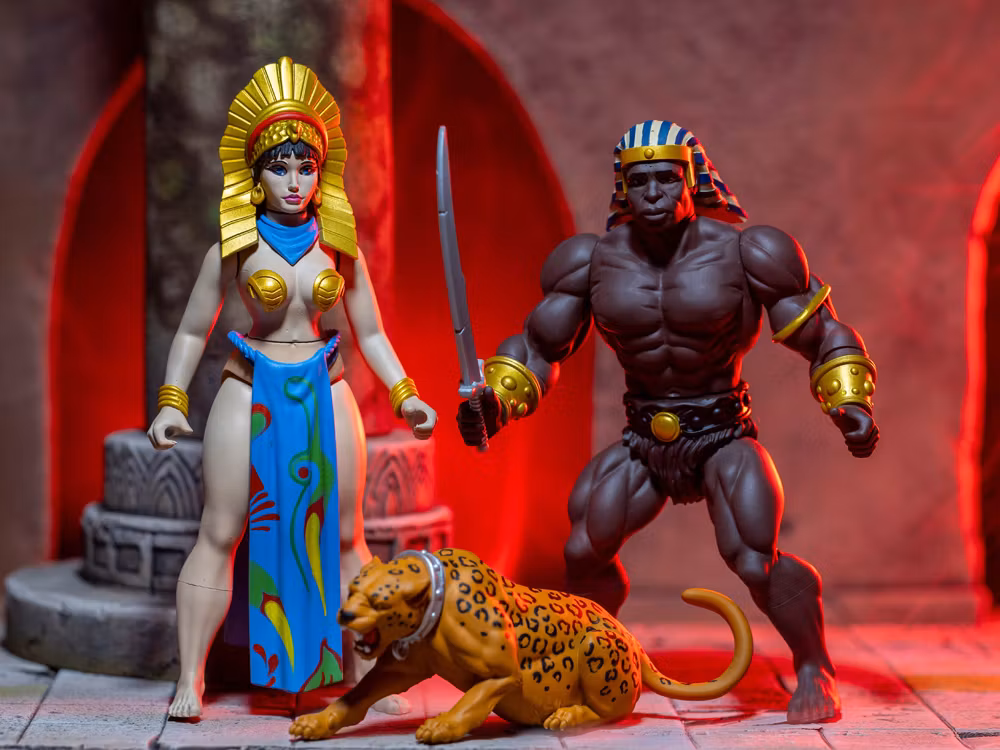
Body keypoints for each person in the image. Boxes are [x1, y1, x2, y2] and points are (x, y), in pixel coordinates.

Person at [457, 119, 878, 723]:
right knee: (583, 550)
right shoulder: (590, 262)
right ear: (622, 188)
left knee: (754, 558)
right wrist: (495, 402)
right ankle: (592, 658)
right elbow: (538, 347)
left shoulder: (749, 252)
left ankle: (815, 666)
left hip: (723, 433)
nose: (652, 192)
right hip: (643, 438)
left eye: (665, 178)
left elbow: (822, 332)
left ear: (692, 180)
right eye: (639, 181)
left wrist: (850, 405)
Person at [148, 56, 436, 719]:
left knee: (347, 534)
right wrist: (171, 400)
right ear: (256, 176)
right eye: (279, 167)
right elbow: (191, 330)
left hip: (325, 386)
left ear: (321, 172)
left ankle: (368, 676)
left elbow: (372, 333)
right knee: (221, 528)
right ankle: (190, 676)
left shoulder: (338, 246)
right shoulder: (234, 246)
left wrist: (406, 394)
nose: (294, 180)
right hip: (248, 386)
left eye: (306, 166)